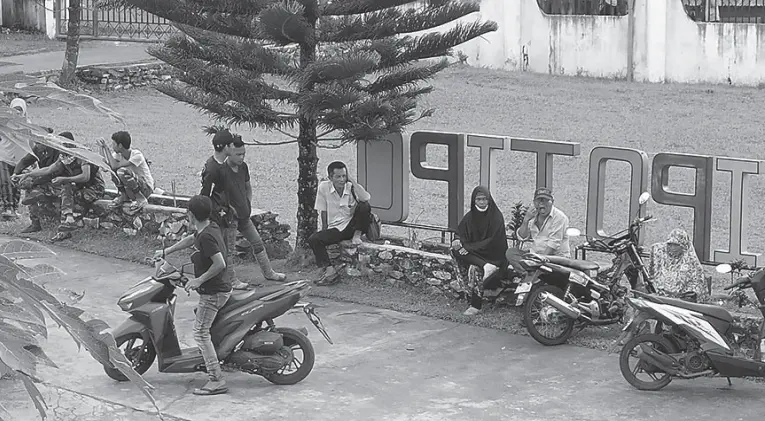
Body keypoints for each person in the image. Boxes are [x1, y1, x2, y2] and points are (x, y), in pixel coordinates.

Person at [153, 195, 231, 396]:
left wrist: (199, 280)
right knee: (205, 329)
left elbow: (220, 263)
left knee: (200, 333)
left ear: (191, 214)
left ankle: (216, 379)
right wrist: (167, 251)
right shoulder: (208, 228)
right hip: (217, 288)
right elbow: (191, 240)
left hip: (214, 293)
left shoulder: (207, 236)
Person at [14, 132, 106, 240]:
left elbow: (85, 177)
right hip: (78, 187)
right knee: (65, 189)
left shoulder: (82, 155)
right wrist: (27, 174)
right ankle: (67, 219)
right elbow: (49, 170)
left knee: (67, 193)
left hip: (94, 188)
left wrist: (65, 179)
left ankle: (66, 225)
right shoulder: (64, 156)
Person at [218, 140, 286, 283]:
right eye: (238, 154)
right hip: (230, 218)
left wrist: (248, 203)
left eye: (243, 154)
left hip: (245, 215)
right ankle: (232, 280)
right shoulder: (222, 171)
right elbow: (219, 195)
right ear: (229, 152)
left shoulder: (243, 167)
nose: (241, 157)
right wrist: (231, 209)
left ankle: (269, 272)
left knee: (257, 242)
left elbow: (248, 187)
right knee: (229, 250)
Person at [199, 129, 250, 291]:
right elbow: (206, 194)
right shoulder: (213, 169)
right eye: (230, 145)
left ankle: (224, 279)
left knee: (227, 248)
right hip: (217, 216)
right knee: (225, 249)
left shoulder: (220, 165)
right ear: (225, 147)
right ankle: (231, 280)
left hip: (226, 214)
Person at [309, 161, 372, 286]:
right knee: (314, 239)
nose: (341, 180)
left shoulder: (350, 186)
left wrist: (352, 180)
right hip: (336, 228)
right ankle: (330, 271)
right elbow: (323, 211)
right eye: (338, 176)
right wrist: (324, 229)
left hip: (353, 225)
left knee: (365, 206)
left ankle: (357, 236)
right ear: (330, 177)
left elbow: (365, 198)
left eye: (344, 176)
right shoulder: (323, 187)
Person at [451, 186, 509, 316]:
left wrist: (469, 248)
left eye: (484, 199)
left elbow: (493, 241)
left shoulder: (496, 216)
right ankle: (486, 267)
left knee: (475, 267)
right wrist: (457, 240)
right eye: (478, 199)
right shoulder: (471, 216)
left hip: (493, 255)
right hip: (478, 255)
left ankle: (475, 305)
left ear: (489, 200)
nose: (482, 202)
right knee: (454, 250)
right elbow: (460, 231)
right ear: (474, 201)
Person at [97, 131, 154, 213]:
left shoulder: (137, 155)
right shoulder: (117, 156)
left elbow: (115, 166)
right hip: (132, 188)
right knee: (114, 172)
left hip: (145, 188)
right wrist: (101, 148)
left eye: (113, 144)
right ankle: (124, 196)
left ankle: (140, 198)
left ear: (120, 145)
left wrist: (107, 149)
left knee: (121, 171)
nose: (112, 146)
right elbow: (106, 168)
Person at [648, 229, 709, 301]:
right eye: (670, 244)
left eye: (676, 245)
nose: (672, 248)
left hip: (682, 302)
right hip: (660, 298)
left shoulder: (691, 263)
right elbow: (652, 277)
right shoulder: (661, 257)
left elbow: (697, 286)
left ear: (683, 246)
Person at [515, 187, 571, 258]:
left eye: (546, 200)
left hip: (555, 257)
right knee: (511, 253)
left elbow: (553, 245)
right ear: (534, 202)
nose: (542, 204)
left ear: (552, 202)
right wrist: (526, 220)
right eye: (539, 200)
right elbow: (522, 237)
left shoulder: (559, 217)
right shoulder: (532, 215)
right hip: (536, 255)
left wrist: (539, 260)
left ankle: (530, 268)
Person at [0, 98, 30, 219]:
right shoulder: (4, 122)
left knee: (16, 183)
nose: (17, 112)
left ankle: (14, 209)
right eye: (15, 109)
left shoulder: (27, 123)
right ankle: (8, 208)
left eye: (20, 110)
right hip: (4, 155)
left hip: (19, 159)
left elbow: (31, 141)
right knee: (5, 182)